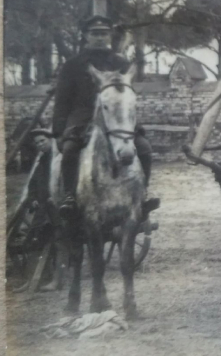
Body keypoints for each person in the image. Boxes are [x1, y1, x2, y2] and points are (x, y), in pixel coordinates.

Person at [52, 14, 156, 221]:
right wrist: (59, 131)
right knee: (71, 149)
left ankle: (143, 193)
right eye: (95, 34)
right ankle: (70, 196)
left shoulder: (120, 62)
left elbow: (127, 97)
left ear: (109, 36)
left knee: (144, 148)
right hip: (82, 117)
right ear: (85, 36)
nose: (100, 38)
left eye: (104, 34)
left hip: (117, 119)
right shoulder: (73, 65)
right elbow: (62, 100)